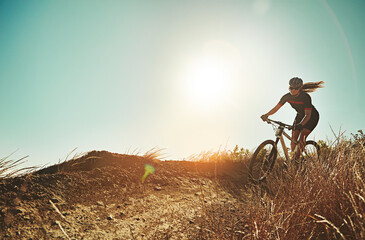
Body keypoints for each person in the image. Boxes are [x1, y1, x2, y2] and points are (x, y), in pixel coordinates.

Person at [261, 77, 324, 159]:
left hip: (312, 116)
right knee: (293, 137)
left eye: (295, 88)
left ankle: (296, 161)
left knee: (302, 136)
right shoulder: (286, 97)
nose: (293, 90)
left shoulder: (305, 97)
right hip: (300, 115)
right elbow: (276, 108)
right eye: (291, 88)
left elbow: (308, 115)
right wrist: (266, 115)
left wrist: (301, 124)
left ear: (300, 88)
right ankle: (292, 158)